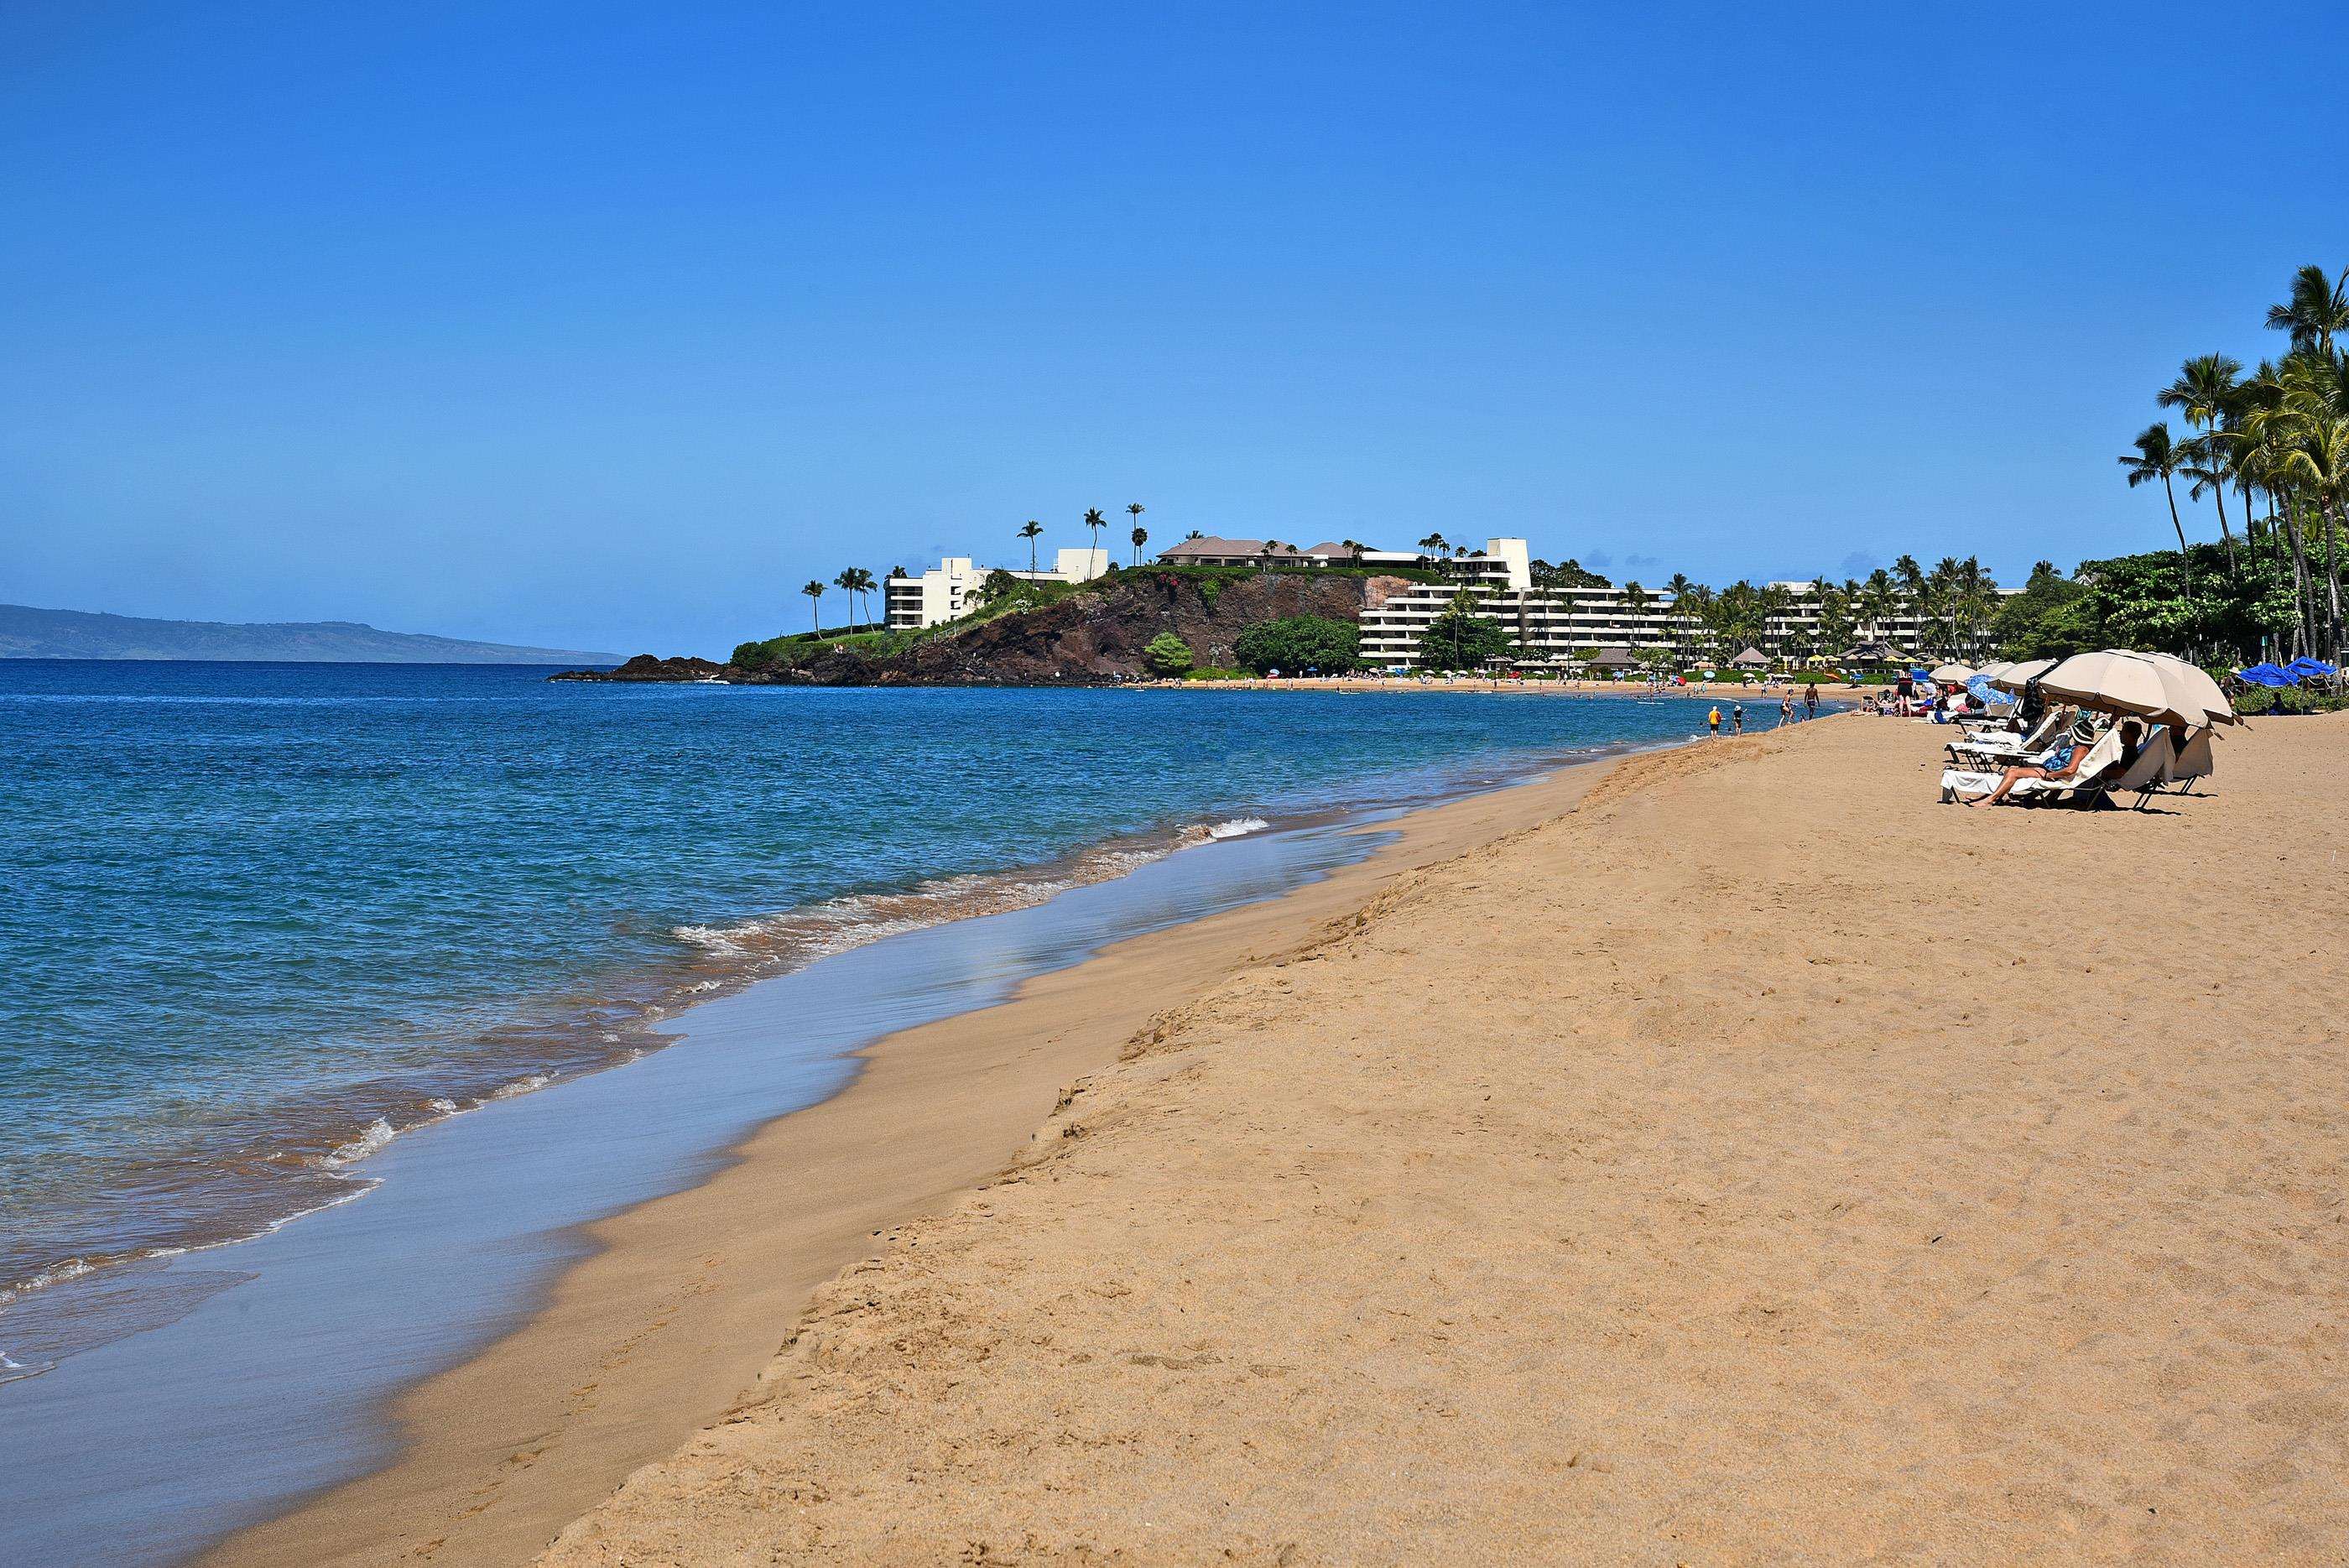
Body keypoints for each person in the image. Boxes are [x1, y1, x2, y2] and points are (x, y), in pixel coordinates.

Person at [1966, 711, 2101, 806]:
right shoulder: (2082, 747)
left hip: (2052, 774)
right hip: (2047, 770)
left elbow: (2071, 770)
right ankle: (1990, 796)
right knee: (2010, 770)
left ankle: (1991, 799)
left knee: (2013, 772)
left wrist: (2048, 774)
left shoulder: (2080, 749)